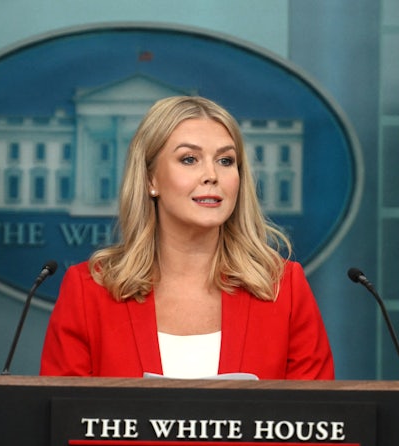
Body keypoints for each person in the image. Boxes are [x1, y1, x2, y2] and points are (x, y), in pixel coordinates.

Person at [39, 95, 334, 379]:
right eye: (190, 159)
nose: (211, 175)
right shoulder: (89, 291)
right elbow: (63, 410)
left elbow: (316, 409)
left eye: (226, 161)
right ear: (151, 179)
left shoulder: (284, 289)